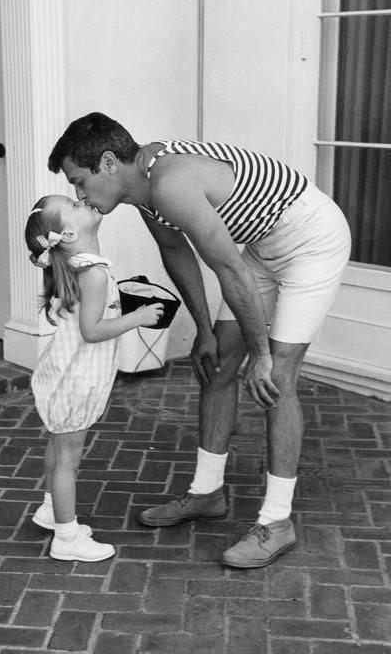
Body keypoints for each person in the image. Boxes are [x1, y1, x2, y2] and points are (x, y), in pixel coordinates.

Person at [47, 112, 351, 568]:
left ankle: (277, 521)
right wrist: (205, 331)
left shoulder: (170, 183)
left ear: (109, 162)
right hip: (264, 246)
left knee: (277, 378)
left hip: (312, 239)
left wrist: (263, 355)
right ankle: (207, 493)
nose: (79, 194)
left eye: (79, 181)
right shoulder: (142, 189)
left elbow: (228, 268)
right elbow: (176, 252)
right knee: (218, 364)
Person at [25, 193, 164, 562]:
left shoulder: (75, 266)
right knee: (68, 460)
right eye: (73, 205)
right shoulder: (93, 272)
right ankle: (67, 538)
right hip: (77, 381)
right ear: (67, 234)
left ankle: (50, 511)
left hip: (63, 376)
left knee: (58, 449)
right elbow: (92, 330)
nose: (82, 201)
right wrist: (137, 317)